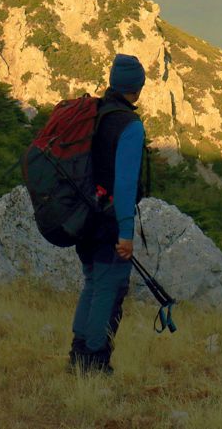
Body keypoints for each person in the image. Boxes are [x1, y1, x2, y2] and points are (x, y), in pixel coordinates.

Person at [68, 53, 147, 375]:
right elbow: (126, 184)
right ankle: (95, 362)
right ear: (138, 87)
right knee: (110, 288)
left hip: (83, 215)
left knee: (92, 284)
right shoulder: (129, 125)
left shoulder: (95, 113)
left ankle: (77, 356)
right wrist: (126, 233)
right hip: (109, 221)